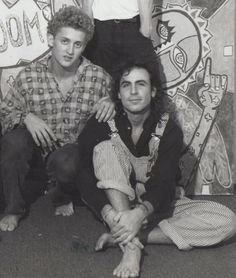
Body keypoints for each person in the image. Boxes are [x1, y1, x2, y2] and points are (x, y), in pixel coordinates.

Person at [76, 61, 236, 278]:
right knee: (105, 148)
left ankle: (129, 236)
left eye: (140, 84)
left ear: (152, 92)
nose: (133, 92)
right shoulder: (102, 122)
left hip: (154, 206)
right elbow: (82, 174)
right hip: (117, 205)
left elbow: (164, 182)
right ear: (118, 94)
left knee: (227, 221)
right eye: (126, 85)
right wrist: (110, 213)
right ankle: (131, 248)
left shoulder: (168, 128)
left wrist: (139, 215)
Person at [0, 6, 115, 232]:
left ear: (84, 46)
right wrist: (26, 117)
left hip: (69, 160)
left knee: (71, 158)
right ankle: (13, 209)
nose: (70, 50)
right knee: (14, 141)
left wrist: (113, 102)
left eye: (78, 44)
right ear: (51, 39)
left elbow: (126, 103)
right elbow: (4, 114)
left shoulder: (98, 77)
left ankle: (62, 194)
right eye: (64, 41)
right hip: (33, 159)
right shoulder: (29, 75)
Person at [82, 0, 163, 82]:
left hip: (133, 25)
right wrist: (88, 24)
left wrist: (146, 27)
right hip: (101, 30)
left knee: (149, 82)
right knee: (99, 85)